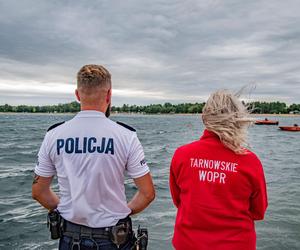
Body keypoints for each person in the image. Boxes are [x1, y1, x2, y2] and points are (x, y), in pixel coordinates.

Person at [32, 64, 155, 250]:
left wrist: (66, 208)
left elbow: (39, 191)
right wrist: (121, 211)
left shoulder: (54, 135)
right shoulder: (126, 136)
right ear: (109, 95)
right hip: (113, 238)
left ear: (77, 94)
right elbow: (147, 193)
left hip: (69, 237)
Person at [169, 90, 268, 250]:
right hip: (236, 244)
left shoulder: (182, 155)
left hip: (188, 243)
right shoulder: (250, 161)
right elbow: (258, 211)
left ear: (204, 118)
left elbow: (178, 201)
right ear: (238, 119)